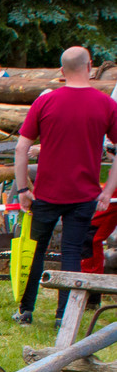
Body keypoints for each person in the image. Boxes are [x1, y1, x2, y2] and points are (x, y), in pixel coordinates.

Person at [12, 46, 117, 325]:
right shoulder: (107, 104)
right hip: (84, 195)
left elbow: (22, 149)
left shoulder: (45, 102)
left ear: (61, 71)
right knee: (71, 251)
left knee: (36, 249)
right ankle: (63, 314)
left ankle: (26, 310)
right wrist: (107, 190)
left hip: (46, 193)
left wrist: (23, 190)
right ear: (90, 67)